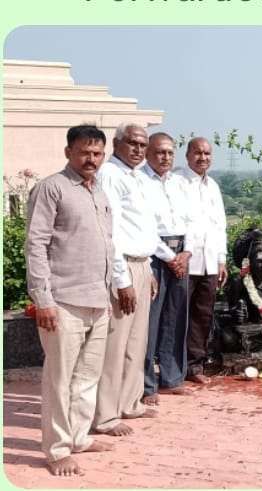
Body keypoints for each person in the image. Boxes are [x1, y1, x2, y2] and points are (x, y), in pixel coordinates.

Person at [24, 125, 115, 476]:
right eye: (84, 152)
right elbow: (36, 245)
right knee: (59, 380)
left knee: (87, 377)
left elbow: (106, 246)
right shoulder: (52, 188)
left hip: (98, 300)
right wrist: (43, 300)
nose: (91, 159)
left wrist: (109, 292)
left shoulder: (99, 191)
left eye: (97, 153)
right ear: (68, 152)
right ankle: (57, 449)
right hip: (63, 300)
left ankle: (78, 437)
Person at [93, 122, 160, 437]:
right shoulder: (110, 174)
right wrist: (122, 280)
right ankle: (105, 414)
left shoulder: (138, 177)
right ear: (117, 143)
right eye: (132, 143)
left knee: (136, 341)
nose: (138, 149)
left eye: (142, 144)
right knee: (115, 344)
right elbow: (112, 232)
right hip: (123, 267)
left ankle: (130, 402)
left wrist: (149, 268)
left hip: (141, 264)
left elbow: (143, 228)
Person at [140, 132, 196, 405]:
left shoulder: (178, 183)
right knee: (150, 321)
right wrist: (170, 257)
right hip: (154, 254)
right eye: (160, 152)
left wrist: (186, 252)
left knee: (175, 318)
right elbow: (143, 226)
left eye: (170, 153)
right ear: (148, 153)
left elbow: (191, 220)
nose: (165, 157)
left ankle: (172, 378)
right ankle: (146, 384)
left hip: (181, 252)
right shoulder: (140, 181)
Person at [177, 137, 228, 384]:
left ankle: (194, 366)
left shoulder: (213, 186)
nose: (203, 158)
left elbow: (220, 226)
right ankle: (173, 368)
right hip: (184, 262)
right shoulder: (177, 182)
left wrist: (221, 259)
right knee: (178, 316)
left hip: (209, 262)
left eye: (207, 153)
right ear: (187, 155)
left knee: (202, 317)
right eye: (198, 153)